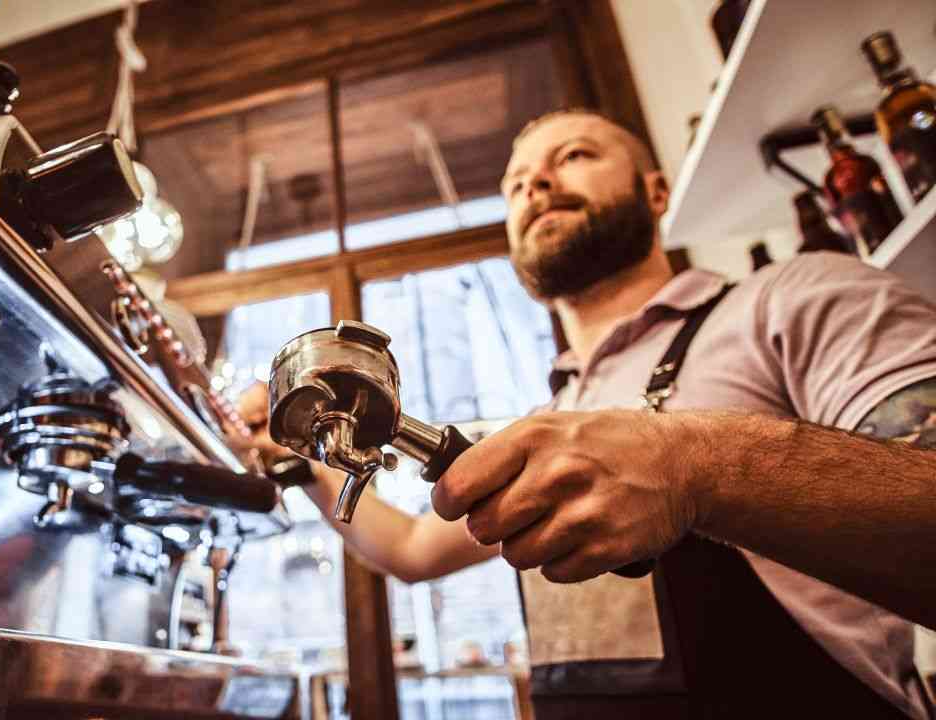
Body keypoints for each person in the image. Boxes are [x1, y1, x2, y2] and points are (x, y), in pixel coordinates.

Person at [238, 108, 936, 719]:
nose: (534, 185)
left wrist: (695, 466)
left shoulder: (793, 300)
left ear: (656, 191)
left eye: (573, 157)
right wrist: (303, 460)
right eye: (514, 184)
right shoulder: (554, 414)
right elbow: (414, 552)